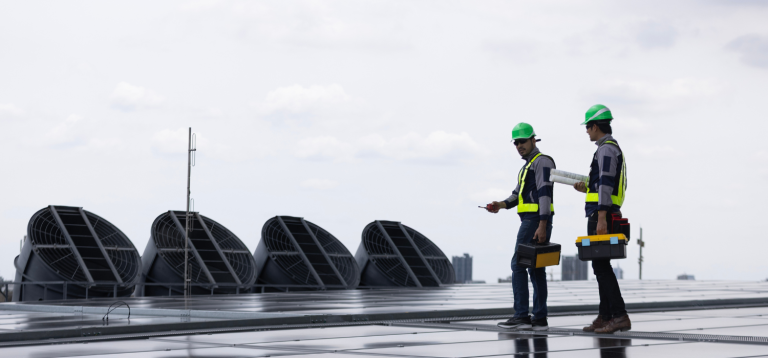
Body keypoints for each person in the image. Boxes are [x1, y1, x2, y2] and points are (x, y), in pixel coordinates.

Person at [485, 122, 555, 331]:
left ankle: (521, 316)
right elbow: (516, 196)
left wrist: (542, 224)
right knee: (536, 269)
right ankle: (539, 318)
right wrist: (501, 204)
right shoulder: (527, 166)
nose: (519, 146)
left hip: (534, 220)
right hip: (533, 220)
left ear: (534, 140)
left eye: (523, 141)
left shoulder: (542, 162)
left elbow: (545, 193)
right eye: (516, 143)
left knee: (518, 265)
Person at [573, 104, 631, 334]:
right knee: (601, 266)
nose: (586, 131)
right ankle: (606, 315)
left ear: (595, 126)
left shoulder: (606, 149)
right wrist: (586, 188)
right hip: (602, 211)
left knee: (601, 267)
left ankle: (618, 315)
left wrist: (602, 217)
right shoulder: (608, 148)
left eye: (587, 127)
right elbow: (601, 184)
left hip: (601, 214)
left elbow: (606, 182)